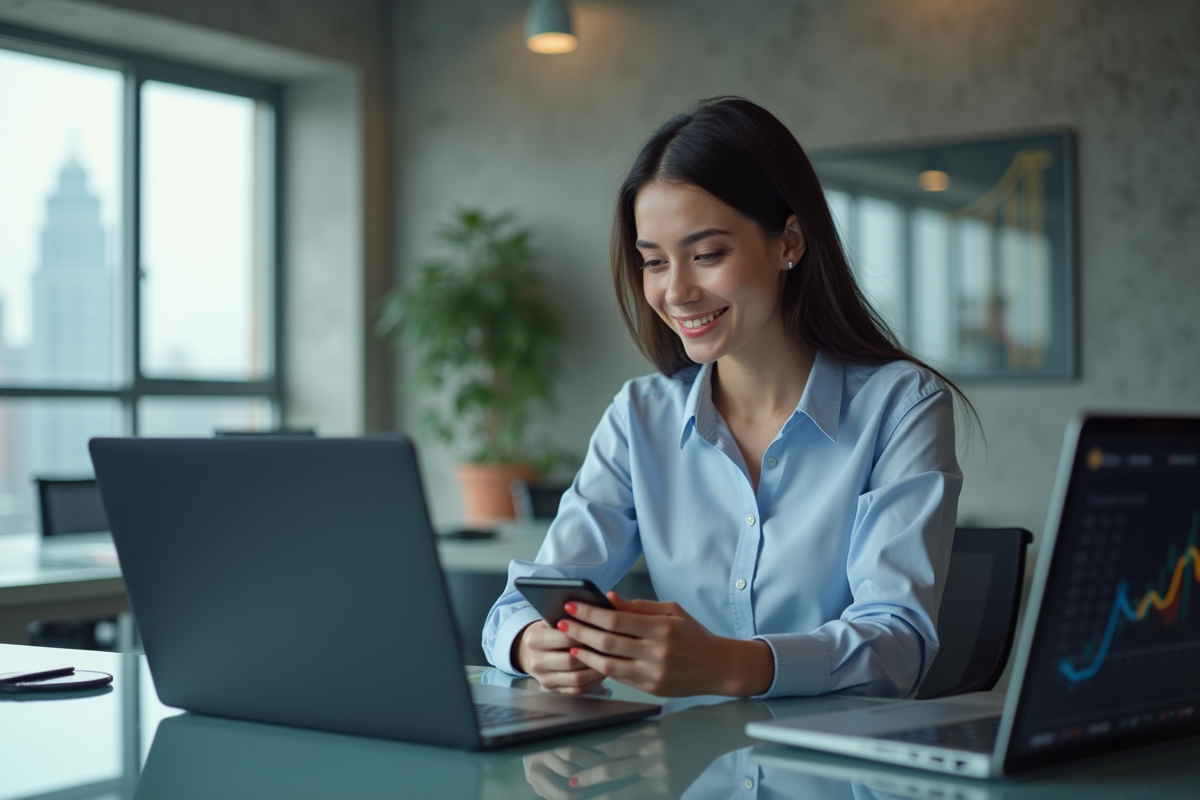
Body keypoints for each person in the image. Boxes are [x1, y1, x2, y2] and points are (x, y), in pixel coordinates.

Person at [482, 97, 966, 699]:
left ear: (789, 240)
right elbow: (520, 603)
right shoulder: (639, 418)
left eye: (707, 255)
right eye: (654, 262)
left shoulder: (902, 407)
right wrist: (534, 645)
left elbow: (898, 644)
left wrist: (731, 665)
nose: (676, 291)